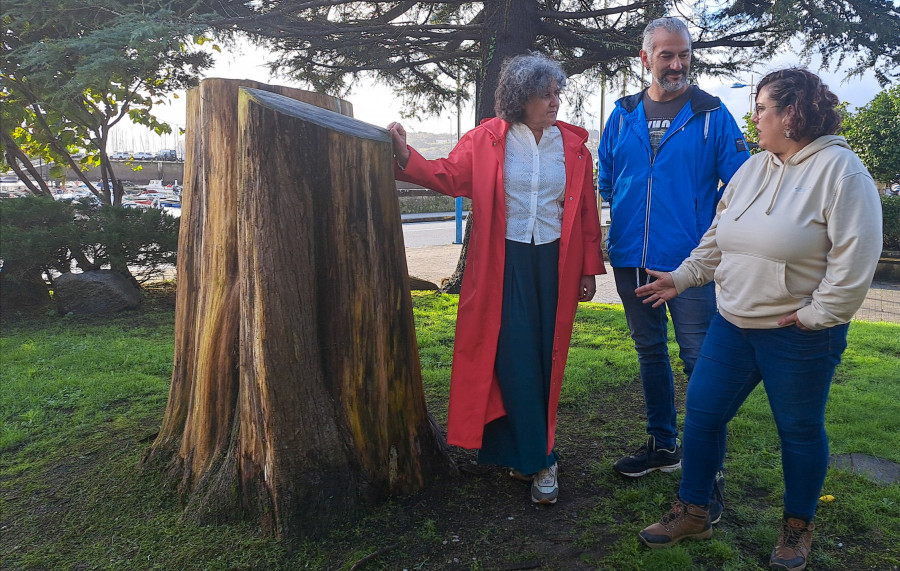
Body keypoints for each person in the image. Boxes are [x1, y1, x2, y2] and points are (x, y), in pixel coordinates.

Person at [635, 68, 883, 571]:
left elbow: (856, 261)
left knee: (798, 430)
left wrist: (818, 316)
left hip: (797, 333)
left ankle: (796, 528)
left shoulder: (843, 172)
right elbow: (718, 235)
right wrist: (683, 278)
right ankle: (695, 511)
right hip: (732, 323)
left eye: (762, 108)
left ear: (791, 115)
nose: (754, 118)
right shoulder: (754, 168)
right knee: (703, 415)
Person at [389, 53, 605, 505]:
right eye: (545, 94)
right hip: (503, 264)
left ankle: (530, 451)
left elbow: (585, 209)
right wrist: (407, 156)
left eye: (557, 93)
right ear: (521, 98)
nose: (555, 102)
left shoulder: (574, 146)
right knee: (512, 356)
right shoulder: (487, 139)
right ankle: (541, 459)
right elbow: (447, 175)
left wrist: (588, 267)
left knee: (547, 357)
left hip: (556, 264)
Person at [596, 15, 750, 507]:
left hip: (688, 268)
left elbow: (743, 186)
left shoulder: (712, 114)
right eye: (667, 55)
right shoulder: (621, 113)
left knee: (699, 361)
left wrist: (710, 243)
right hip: (630, 261)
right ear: (646, 59)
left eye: (684, 54)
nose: (677, 63)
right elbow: (608, 178)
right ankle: (663, 445)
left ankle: (712, 471)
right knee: (650, 353)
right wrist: (617, 228)